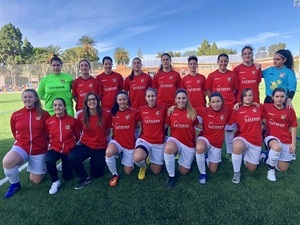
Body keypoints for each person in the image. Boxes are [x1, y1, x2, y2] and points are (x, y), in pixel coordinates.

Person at [2, 89, 50, 198]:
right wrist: (21, 142)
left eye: (30, 97)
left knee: (36, 180)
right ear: (22, 99)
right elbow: (15, 132)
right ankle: (15, 185)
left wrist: (46, 146)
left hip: (39, 149)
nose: (27, 99)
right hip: (22, 146)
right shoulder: (16, 115)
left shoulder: (44, 114)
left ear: (35, 98)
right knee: (7, 162)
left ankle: (43, 165)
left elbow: (49, 132)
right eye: (25, 97)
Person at [69, 92, 111, 190]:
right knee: (72, 157)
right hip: (85, 144)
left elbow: (108, 130)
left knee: (97, 174)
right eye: (89, 100)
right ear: (86, 102)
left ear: (97, 101)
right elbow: (79, 129)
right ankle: (84, 178)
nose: (92, 101)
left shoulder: (106, 114)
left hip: (100, 146)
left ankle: (95, 160)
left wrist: (107, 144)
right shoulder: (80, 115)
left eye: (94, 99)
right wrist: (79, 141)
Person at [195, 92, 235, 184]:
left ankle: (206, 157)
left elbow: (240, 111)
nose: (216, 104)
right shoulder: (205, 110)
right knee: (199, 148)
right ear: (209, 103)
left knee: (213, 170)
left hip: (217, 143)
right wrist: (174, 107)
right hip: (205, 138)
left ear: (222, 102)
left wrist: (240, 104)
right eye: (213, 102)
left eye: (218, 101)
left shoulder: (226, 111)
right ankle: (202, 173)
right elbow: (190, 110)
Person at [260, 87, 298, 182]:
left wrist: (293, 143)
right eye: (277, 96)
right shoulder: (266, 107)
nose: (279, 99)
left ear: (286, 98)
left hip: (286, 139)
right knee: (277, 147)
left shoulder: (290, 111)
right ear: (272, 97)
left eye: (282, 96)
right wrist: (262, 123)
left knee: (283, 168)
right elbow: (253, 107)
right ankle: (271, 170)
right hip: (271, 136)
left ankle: (265, 157)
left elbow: (293, 127)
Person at [206, 53, 238, 160]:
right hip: (216, 108)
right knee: (215, 130)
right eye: (221, 61)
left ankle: (229, 152)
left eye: (225, 61)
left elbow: (234, 89)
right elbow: (208, 90)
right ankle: (212, 150)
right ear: (218, 62)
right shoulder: (211, 75)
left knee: (229, 129)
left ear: (228, 62)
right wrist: (214, 102)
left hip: (229, 106)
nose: (223, 63)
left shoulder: (232, 75)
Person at [45, 98, 80, 194]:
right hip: (55, 148)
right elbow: (48, 135)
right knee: (49, 160)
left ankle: (63, 165)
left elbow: (77, 136)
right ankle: (55, 181)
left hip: (68, 149)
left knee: (67, 177)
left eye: (60, 105)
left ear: (64, 107)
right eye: (55, 105)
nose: (57, 107)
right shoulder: (49, 121)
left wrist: (72, 146)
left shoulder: (72, 121)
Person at [164, 89, 198, 187]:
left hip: (188, 144)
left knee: (184, 171)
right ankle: (171, 176)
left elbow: (198, 126)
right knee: (168, 148)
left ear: (187, 99)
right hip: (175, 141)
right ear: (175, 99)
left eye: (183, 98)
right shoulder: (171, 111)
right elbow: (165, 126)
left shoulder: (192, 112)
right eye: (179, 98)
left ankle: (182, 159)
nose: (181, 100)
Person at [105, 92, 140, 187]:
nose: (122, 101)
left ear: (127, 100)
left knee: (128, 171)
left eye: (124, 99)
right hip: (117, 142)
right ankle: (114, 174)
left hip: (129, 144)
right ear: (116, 101)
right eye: (119, 100)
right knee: (108, 152)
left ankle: (123, 156)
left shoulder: (133, 112)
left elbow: (140, 124)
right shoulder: (112, 113)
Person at [231, 88, 263, 184]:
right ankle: (236, 173)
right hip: (242, 138)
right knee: (237, 146)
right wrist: (238, 104)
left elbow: (276, 105)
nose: (248, 97)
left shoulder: (259, 107)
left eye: (250, 95)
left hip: (256, 141)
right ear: (241, 98)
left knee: (251, 168)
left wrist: (288, 101)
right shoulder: (237, 110)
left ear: (253, 97)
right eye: (245, 95)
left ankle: (248, 155)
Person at [133, 88, 167, 180]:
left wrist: (158, 132)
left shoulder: (163, 108)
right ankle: (143, 167)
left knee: (156, 171)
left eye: (153, 96)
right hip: (145, 140)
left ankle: (150, 155)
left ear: (156, 97)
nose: (151, 98)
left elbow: (166, 124)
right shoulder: (141, 109)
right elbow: (139, 123)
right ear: (145, 98)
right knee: (137, 158)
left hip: (158, 142)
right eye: (148, 96)